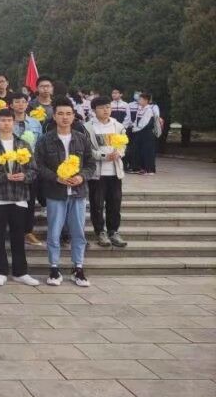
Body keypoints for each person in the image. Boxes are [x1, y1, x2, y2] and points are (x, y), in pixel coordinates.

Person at [35, 97, 96, 287]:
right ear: (54, 116)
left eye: (68, 114)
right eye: (60, 113)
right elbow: (39, 165)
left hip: (78, 193)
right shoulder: (45, 140)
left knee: (78, 232)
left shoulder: (82, 138)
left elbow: (90, 164)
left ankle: (78, 268)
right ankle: (54, 268)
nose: (65, 117)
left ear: (73, 116)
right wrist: (56, 177)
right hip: (55, 193)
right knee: (54, 231)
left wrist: (82, 177)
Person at [0, 108, 40, 287]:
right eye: (3, 120)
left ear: (14, 123)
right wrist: (4, 176)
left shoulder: (23, 145)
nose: (6, 124)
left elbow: (33, 170)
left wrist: (25, 176)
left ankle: (20, 272)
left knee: (18, 236)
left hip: (19, 196)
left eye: (9, 120)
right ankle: (0, 271)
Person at [84, 96, 129, 248]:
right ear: (94, 110)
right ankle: (100, 232)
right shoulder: (88, 127)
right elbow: (87, 150)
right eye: (102, 107)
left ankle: (113, 231)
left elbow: (123, 145)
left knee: (115, 203)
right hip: (97, 173)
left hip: (115, 172)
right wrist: (103, 156)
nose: (106, 110)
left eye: (108, 107)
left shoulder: (118, 126)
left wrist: (119, 153)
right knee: (97, 204)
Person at [9, 92, 44, 247]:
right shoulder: (7, 122)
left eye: (23, 102)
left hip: (30, 167)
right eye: (17, 102)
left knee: (29, 200)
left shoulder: (35, 123)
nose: (20, 105)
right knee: (12, 201)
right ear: (11, 105)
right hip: (11, 166)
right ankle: (14, 230)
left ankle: (28, 231)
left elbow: (40, 145)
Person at [131, 93, 160, 175]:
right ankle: (142, 168)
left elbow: (145, 122)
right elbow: (136, 120)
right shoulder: (140, 109)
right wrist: (134, 127)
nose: (139, 101)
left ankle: (150, 169)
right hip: (139, 132)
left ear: (146, 100)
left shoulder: (149, 109)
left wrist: (137, 128)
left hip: (147, 133)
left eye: (140, 99)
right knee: (139, 151)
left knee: (148, 151)